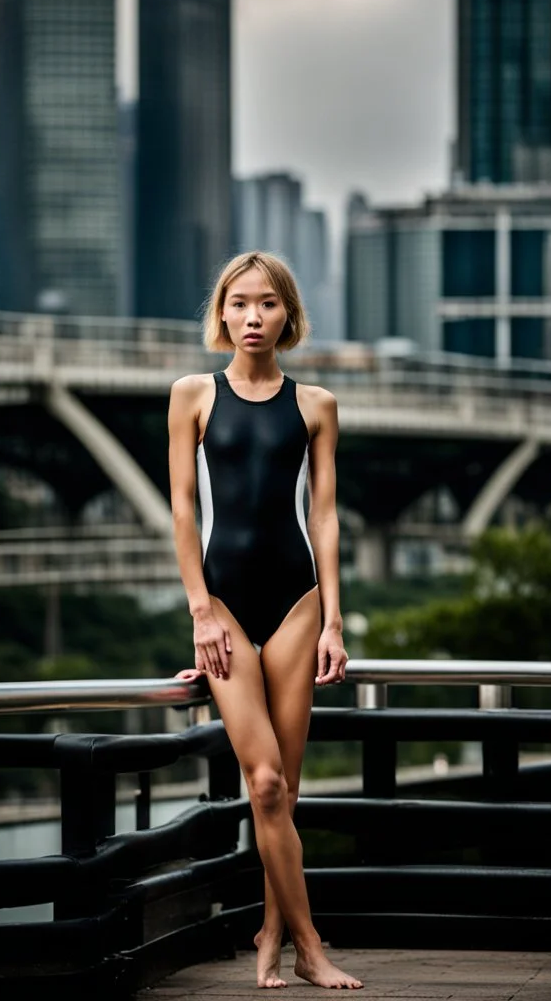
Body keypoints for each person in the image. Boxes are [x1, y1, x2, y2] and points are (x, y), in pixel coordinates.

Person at [168, 251, 363, 991]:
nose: (253, 316)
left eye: (269, 304)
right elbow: (184, 511)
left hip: (296, 604)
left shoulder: (316, 404)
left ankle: (271, 932)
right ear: (221, 313)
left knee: (284, 790)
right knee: (266, 778)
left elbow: (326, 515)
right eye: (240, 303)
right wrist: (199, 613)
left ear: (288, 315)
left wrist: (335, 622)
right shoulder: (192, 395)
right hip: (222, 606)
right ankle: (310, 947)